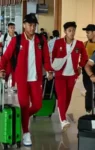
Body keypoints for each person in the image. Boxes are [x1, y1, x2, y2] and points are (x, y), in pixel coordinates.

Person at [0, 13, 53, 146]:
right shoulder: (17, 40)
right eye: (30, 25)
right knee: (24, 105)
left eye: (34, 25)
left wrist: (49, 69)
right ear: (24, 25)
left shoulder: (41, 40)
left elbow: (46, 58)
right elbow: (5, 57)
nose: (32, 28)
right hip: (22, 80)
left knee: (38, 105)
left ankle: (20, 118)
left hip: (36, 79)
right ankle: (25, 132)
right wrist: (1, 69)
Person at [52, 22, 88, 131]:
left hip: (72, 75)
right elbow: (53, 56)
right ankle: (63, 119)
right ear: (65, 32)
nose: (72, 33)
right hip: (60, 75)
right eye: (69, 30)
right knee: (62, 97)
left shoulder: (79, 44)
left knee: (68, 98)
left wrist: (80, 66)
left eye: (73, 30)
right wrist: (52, 69)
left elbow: (85, 56)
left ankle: (62, 114)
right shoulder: (58, 43)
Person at [1, 22, 18, 92]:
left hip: (15, 57)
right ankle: (5, 82)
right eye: (11, 27)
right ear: (8, 28)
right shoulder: (4, 36)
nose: (12, 29)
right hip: (7, 57)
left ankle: (13, 86)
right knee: (7, 71)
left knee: (14, 72)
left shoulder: (17, 37)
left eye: (13, 27)